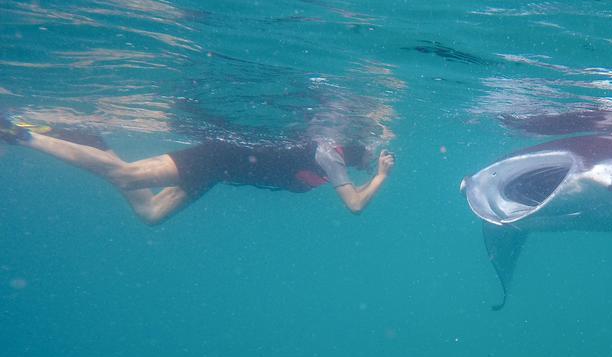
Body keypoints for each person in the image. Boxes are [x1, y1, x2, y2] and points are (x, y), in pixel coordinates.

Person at [1, 114, 395, 224]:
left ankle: (93, 142)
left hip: (218, 173)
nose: (369, 163)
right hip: (217, 157)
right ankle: (20, 134)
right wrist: (380, 176)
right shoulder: (331, 155)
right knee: (127, 176)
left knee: (151, 214)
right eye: (370, 157)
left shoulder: (331, 160)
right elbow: (355, 206)